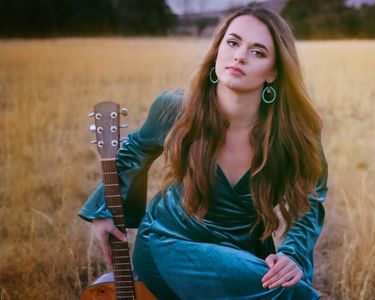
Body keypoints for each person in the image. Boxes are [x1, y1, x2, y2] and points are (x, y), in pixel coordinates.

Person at [79, 6, 328, 300]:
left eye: (258, 52)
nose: (239, 56)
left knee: (282, 281)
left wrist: (292, 253)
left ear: (273, 72)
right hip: (170, 242)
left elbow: (311, 196)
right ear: (218, 49)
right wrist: (103, 210)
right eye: (233, 43)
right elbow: (136, 148)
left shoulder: (296, 130)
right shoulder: (175, 110)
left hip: (243, 252)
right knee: (286, 294)